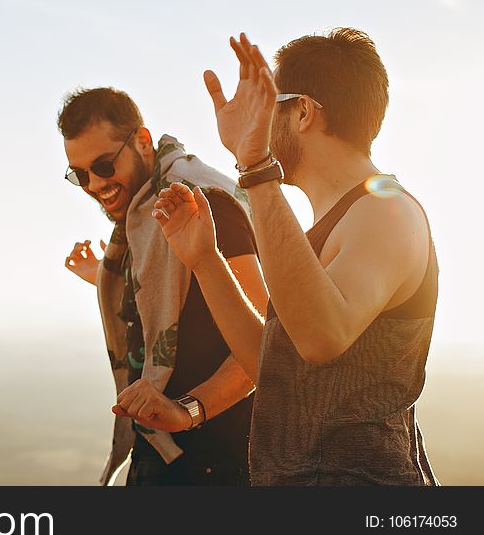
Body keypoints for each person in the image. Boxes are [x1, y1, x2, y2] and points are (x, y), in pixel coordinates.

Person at [120, 29, 438, 485]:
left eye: (270, 107)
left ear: (304, 111)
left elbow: (321, 337)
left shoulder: (386, 209)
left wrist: (254, 168)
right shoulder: (324, 228)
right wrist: (207, 262)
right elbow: (275, 368)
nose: (260, 123)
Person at [59, 87, 267, 485]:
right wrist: (105, 278)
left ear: (142, 141)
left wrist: (188, 411)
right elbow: (177, 305)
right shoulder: (141, 220)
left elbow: (262, 343)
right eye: (79, 174)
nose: (92, 184)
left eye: (103, 166)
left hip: (218, 462)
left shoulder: (204, 204)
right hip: (159, 453)